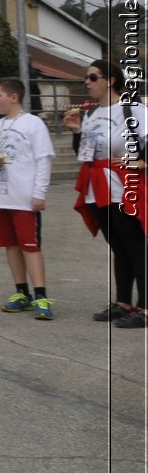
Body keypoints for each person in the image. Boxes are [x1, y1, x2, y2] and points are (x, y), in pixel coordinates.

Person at [65, 60, 147, 329]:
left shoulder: (132, 108)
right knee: (118, 246)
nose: (87, 82)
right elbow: (84, 153)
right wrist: (77, 131)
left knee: (136, 247)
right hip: (97, 186)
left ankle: (144, 308)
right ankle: (123, 302)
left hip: (124, 186)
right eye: (86, 78)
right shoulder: (91, 114)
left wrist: (143, 161)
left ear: (110, 80)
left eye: (92, 77)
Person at [0, 78, 56, 320]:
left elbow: (44, 158)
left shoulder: (33, 124)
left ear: (14, 97)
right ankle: (21, 293)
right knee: (10, 245)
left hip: (24, 198)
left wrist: (39, 193)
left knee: (30, 246)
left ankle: (41, 295)